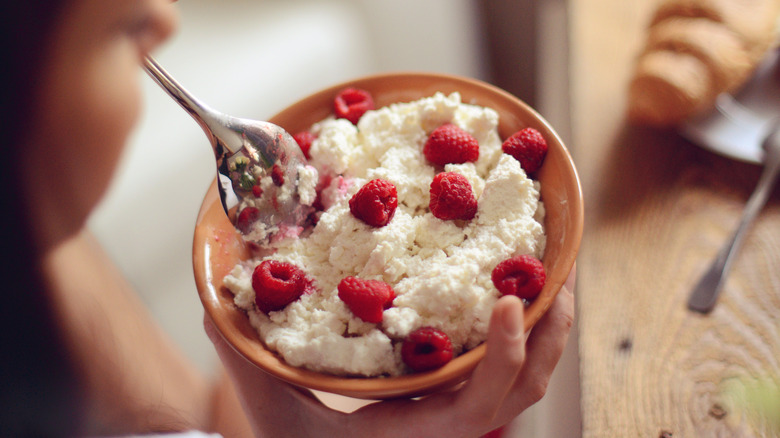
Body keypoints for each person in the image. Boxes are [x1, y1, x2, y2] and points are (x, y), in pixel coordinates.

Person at [0, 0, 576, 436]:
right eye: (119, 29)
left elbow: (201, 418)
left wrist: (282, 418)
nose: (166, 19)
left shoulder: (42, 248)